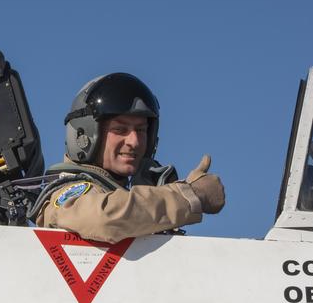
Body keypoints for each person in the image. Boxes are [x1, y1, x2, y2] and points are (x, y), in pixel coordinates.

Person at [31, 73, 225, 242]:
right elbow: (104, 218)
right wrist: (188, 197)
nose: (134, 141)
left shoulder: (128, 201)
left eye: (141, 130)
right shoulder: (66, 192)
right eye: (120, 129)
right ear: (85, 136)